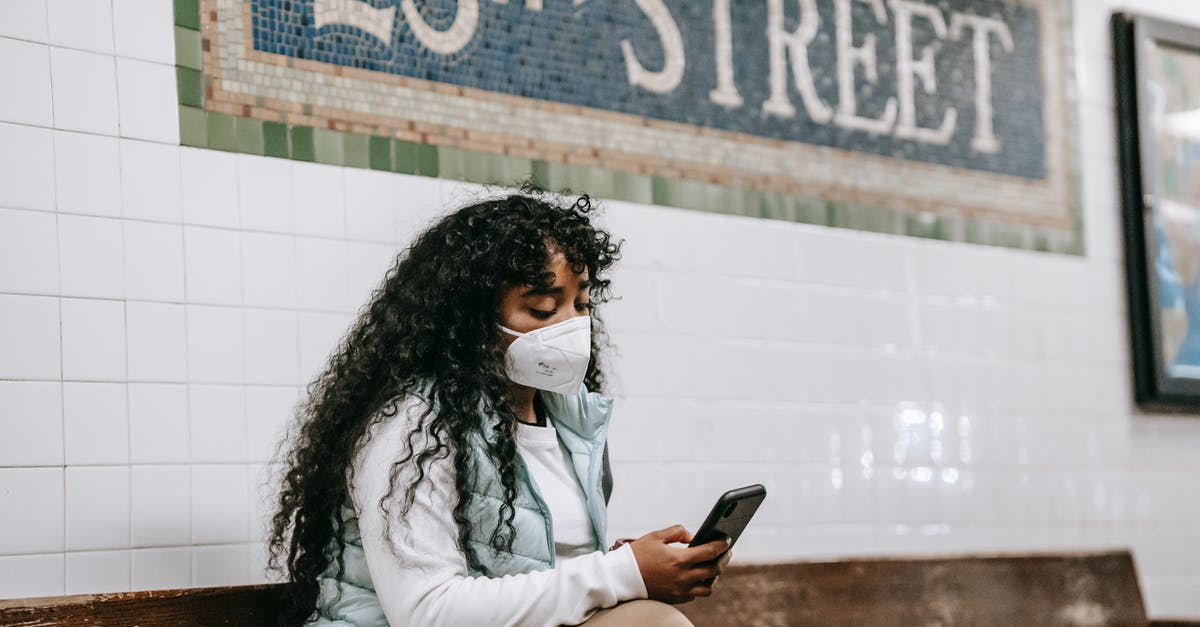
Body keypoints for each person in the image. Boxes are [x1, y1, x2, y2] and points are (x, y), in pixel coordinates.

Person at [267, 189, 732, 627]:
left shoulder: (569, 421)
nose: (573, 328)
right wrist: (618, 575)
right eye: (544, 309)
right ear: (468, 321)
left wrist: (626, 567)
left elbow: (539, 579)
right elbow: (428, 612)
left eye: (582, 303)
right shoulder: (414, 428)